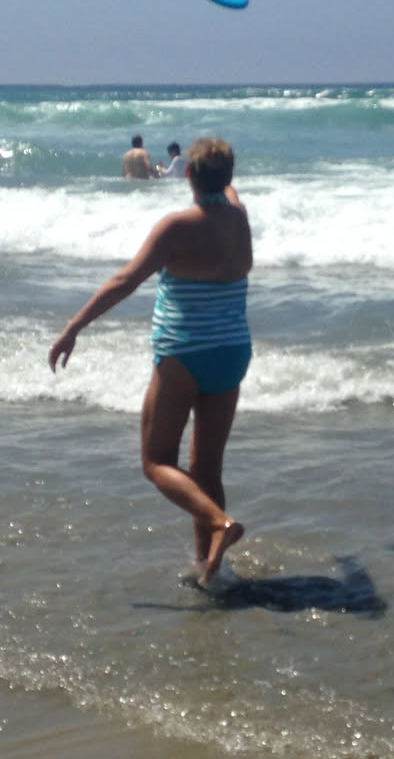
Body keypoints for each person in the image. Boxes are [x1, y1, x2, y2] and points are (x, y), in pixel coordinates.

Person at [49, 137, 251, 585]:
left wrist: (73, 327)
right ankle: (209, 569)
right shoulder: (239, 219)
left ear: (189, 175)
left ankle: (220, 524)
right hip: (232, 351)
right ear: (228, 177)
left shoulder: (177, 226)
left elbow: (125, 281)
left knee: (156, 461)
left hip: (184, 352)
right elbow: (229, 192)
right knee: (207, 468)